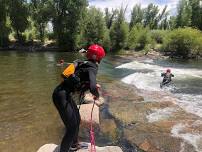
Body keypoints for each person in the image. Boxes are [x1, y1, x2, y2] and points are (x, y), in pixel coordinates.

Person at [52, 44, 105, 152]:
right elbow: (93, 86)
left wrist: (91, 86)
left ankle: (74, 145)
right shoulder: (93, 66)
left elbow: (83, 80)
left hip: (61, 94)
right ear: (98, 57)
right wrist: (97, 96)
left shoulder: (82, 63)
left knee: (77, 119)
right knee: (71, 127)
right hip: (62, 96)